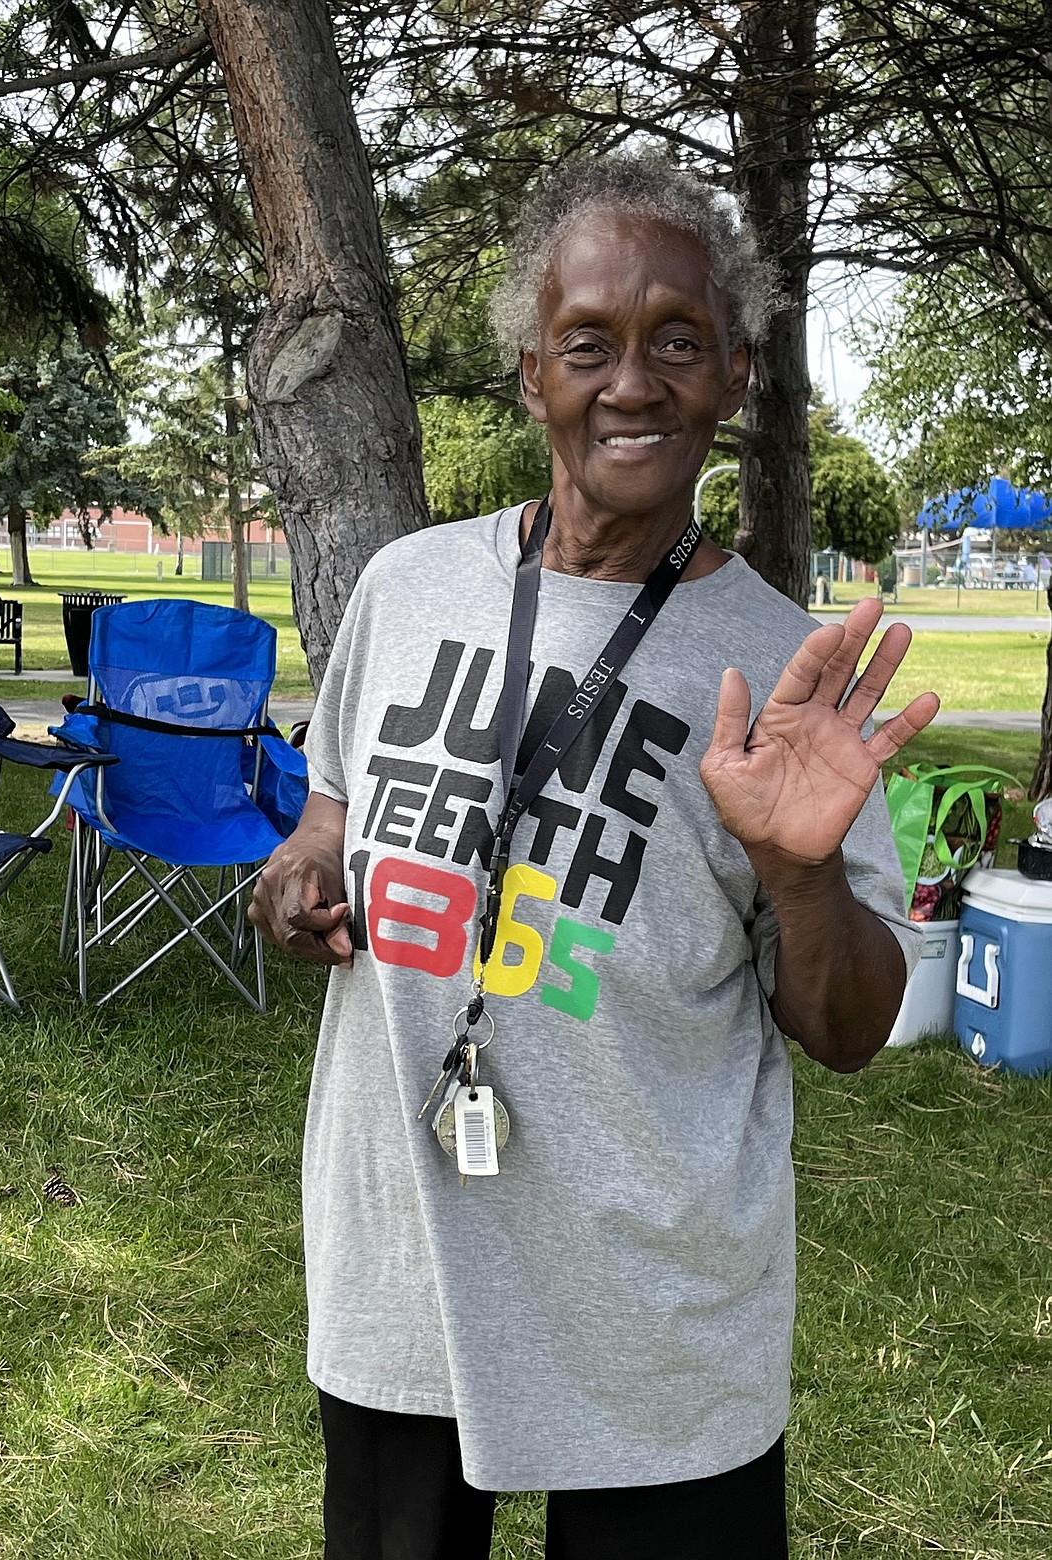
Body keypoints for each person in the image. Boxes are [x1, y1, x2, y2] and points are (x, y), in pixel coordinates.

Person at [248, 153, 940, 1560]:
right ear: (530, 376)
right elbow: (330, 810)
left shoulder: (774, 669)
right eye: (590, 344)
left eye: (677, 342)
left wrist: (802, 874)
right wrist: (296, 872)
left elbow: (850, 1029)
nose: (633, 382)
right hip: (404, 1269)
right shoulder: (405, 585)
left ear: (733, 377)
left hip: (653, 1309)